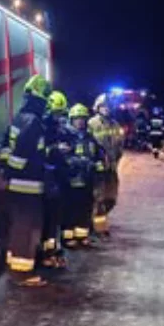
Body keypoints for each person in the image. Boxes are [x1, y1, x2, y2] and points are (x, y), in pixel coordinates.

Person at [1, 74, 52, 286]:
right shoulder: (34, 124)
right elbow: (22, 154)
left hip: (17, 185)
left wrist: (6, 172)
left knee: (18, 228)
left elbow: (6, 148)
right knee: (28, 228)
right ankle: (22, 274)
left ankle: (14, 267)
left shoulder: (19, 118)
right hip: (28, 185)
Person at [63, 104, 105, 247]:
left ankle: (82, 237)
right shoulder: (66, 136)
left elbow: (98, 154)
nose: (80, 122)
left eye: (82, 119)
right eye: (77, 119)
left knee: (85, 209)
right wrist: (80, 163)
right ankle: (69, 239)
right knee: (70, 210)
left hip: (87, 181)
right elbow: (63, 158)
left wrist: (99, 166)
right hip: (71, 181)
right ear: (71, 120)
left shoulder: (89, 137)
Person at [40, 91, 71, 268]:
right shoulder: (43, 128)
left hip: (58, 179)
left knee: (56, 219)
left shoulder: (59, 128)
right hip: (48, 180)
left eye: (61, 113)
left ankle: (54, 250)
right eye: (56, 113)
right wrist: (55, 149)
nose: (59, 116)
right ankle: (47, 253)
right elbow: (40, 152)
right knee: (49, 220)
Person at [88, 94, 122, 236]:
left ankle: (95, 222)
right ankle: (99, 228)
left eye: (109, 106)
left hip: (111, 168)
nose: (107, 109)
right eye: (104, 106)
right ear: (98, 107)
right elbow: (88, 143)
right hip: (98, 169)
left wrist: (116, 158)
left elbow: (120, 144)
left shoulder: (115, 124)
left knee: (112, 198)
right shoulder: (92, 123)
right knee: (99, 198)